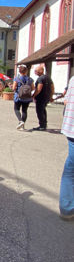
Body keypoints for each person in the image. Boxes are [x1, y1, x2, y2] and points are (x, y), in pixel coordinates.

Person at [60, 76, 74, 220]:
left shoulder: (72, 79)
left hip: (71, 129)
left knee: (70, 172)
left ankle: (67, 208)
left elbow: (66, 101)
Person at [12, 66, 35, 130]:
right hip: (27, 97)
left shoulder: (17, 79)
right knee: (24, 111)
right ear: (26, 71)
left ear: (19, 71)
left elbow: (14, 88)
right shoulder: (30, 79)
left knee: (16, 109)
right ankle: (22, 125)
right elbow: (33, 88)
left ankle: (20, 121)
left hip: (18, 97)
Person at [32, 65, 54, 131]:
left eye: (36, 71)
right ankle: (44, 124)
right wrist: (51, 96)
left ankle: (42, 125)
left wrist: (33, 95)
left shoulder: (40, 78)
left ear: (40, 71)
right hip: (46, 97)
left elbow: (39, 88)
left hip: (40, 97)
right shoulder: (48, 78)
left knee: (39, 111)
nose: (35, 72)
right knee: (43, 110)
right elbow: (52, 87)